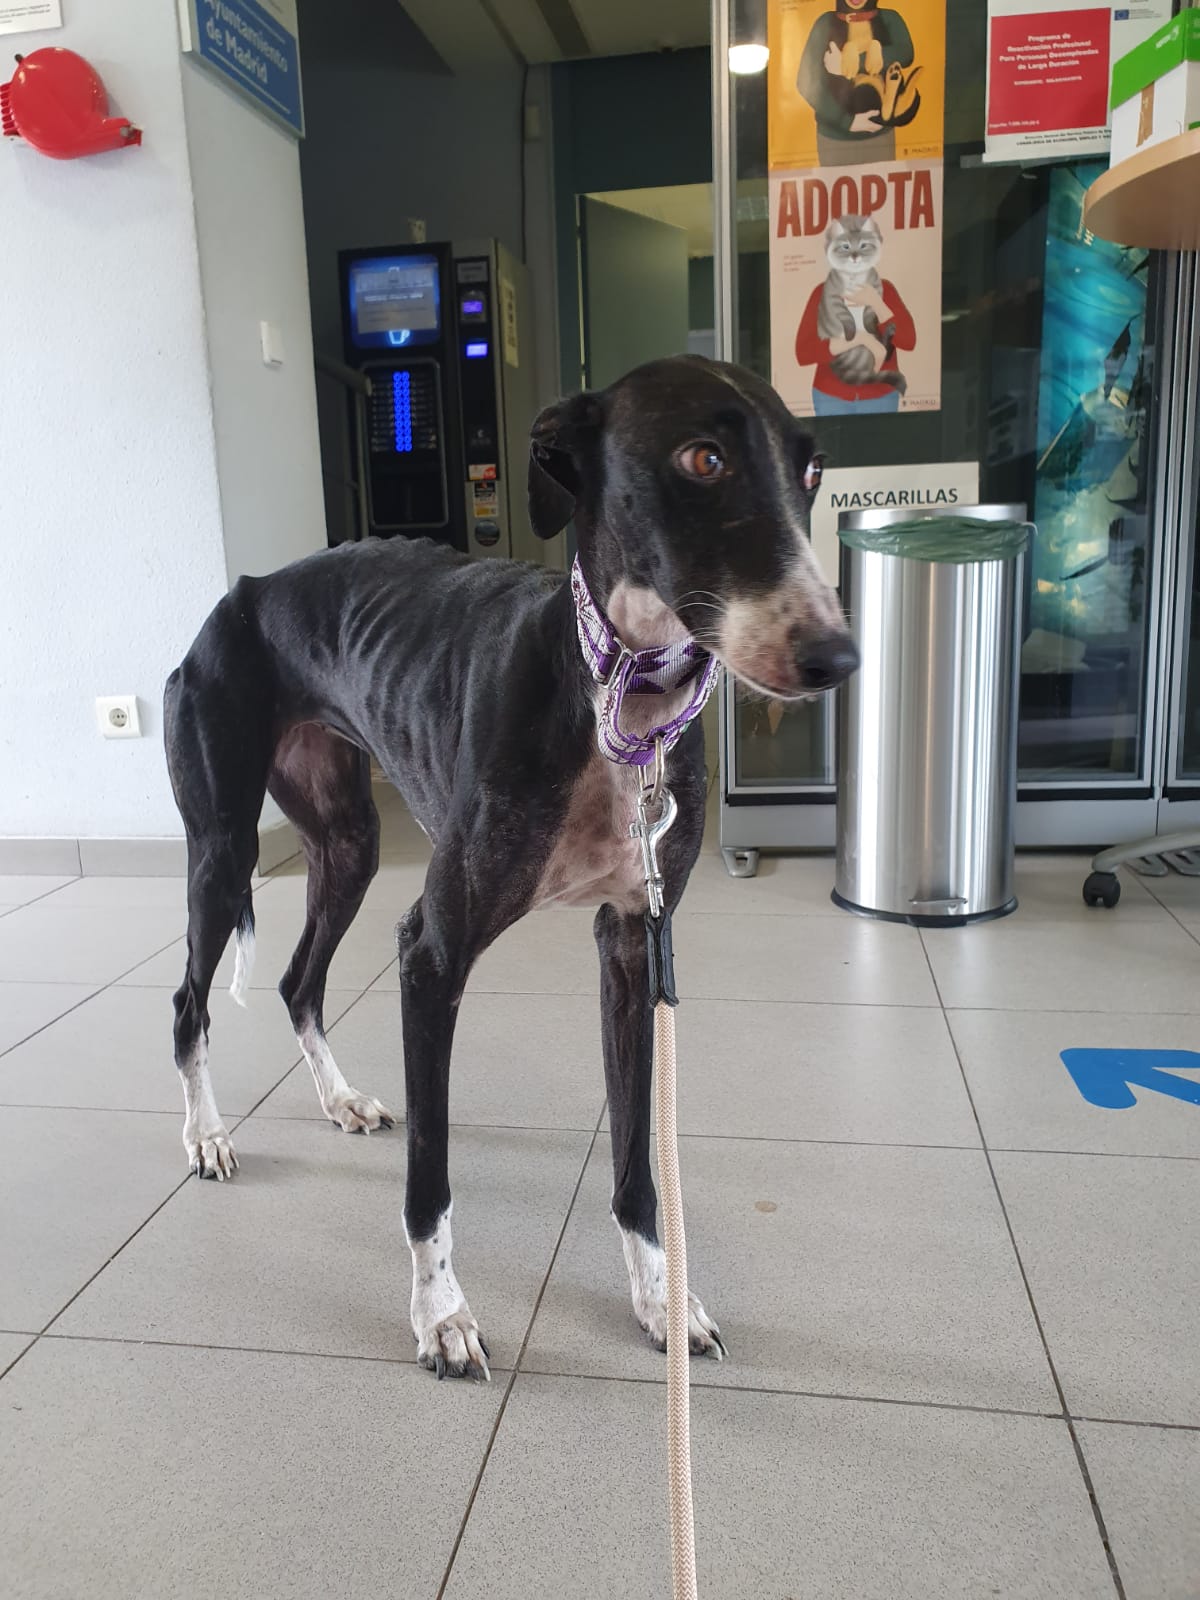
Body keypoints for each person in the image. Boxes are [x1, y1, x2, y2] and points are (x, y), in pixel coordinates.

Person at [796, 0, 916, 167]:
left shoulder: (889, 18)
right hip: (835, 140)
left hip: (881, 135)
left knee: (882, 181)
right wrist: (847, 121)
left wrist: (855, 61)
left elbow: (906, 53)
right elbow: (805, 82)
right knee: (836, 183)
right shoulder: (825, 23)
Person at [794, 272, 915, 415]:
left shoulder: (885, 290)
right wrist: (859, 339)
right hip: (832, 396)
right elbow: (803, 352)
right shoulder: (823, 292)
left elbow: (908, 341)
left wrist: (877, 303)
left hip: (880, 395)